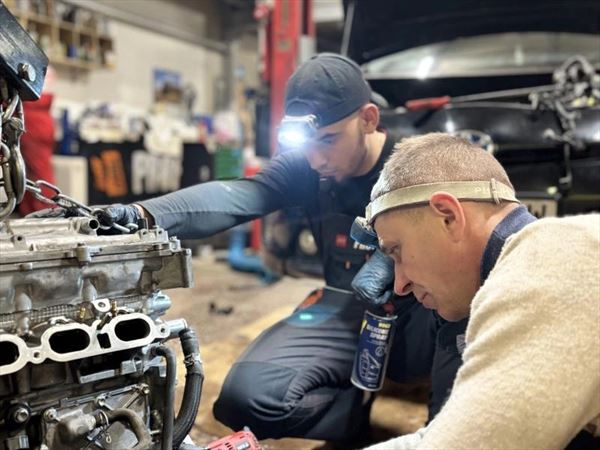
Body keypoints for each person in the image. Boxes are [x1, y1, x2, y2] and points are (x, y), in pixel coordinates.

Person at [42, 54, 460, 443]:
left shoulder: (415, 163)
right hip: (348, 306)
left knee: (461, 352)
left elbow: (475, 238)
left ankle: (446, 427)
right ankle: (353, 411)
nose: (316, 160)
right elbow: (238, 196)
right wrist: (142, 213)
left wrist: (397, 256)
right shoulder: (308, 167)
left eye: (329, 140)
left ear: (368, 119)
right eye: (308, 145)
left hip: (423, 313)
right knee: (245, 400)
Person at [356, 133, 600, 449]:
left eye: (396, 250)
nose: (399, 284)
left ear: (448, 216)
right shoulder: (533, 266)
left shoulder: (555, 261)